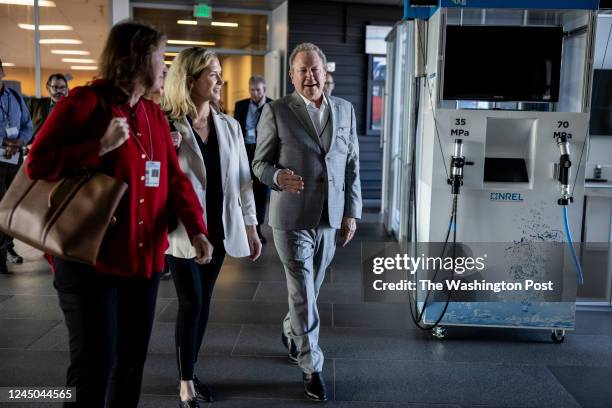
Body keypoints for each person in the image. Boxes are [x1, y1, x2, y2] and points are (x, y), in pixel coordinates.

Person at [25, 21, 214, 408]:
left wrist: (196, 229)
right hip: (86, 260)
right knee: (93, 366)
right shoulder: (82, 103)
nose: (165, 66)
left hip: (141, 260)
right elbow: (36, 165)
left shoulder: (153, 115)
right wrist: (98, 147)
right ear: (136, 59)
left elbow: (175, 180)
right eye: (160, 56)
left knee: (130, 364)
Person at [253, 42, 362, 402]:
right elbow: (259, 164)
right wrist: (276, 176)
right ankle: (311, 365)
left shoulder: (345, 110)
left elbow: (351, 166)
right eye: (303, 70)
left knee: (311, 290)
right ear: (292, 75)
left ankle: (291, 329)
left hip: (330, 218)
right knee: (301, 288)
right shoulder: (277, 111)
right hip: (291, 215)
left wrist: (352, 211)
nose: (310, 76)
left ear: (325, 71)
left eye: (315, 69)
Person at [163, 47, 262, 408]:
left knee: (203, 305)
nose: (219, 80)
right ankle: (185, 383)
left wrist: (251, 226)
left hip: (220, 231)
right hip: (183, 234)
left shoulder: (230, 126)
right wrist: (165, 151)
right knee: (191, 303)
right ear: (191, 80)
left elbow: (242, 181)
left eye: (219, 73)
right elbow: (152, 179)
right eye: (212, 74)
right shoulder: (167, 126)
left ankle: (189, 368)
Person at [0, 58, 33, 273]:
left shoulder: (14, 96)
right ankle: (0, 256)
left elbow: (27, 126)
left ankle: (5, 248)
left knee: (12, 208)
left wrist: (20, 140)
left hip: (13, 161)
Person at [233, 75, 272, 243]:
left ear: (264, 90)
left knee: (261, 191)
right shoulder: (240, 105)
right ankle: (246, 225)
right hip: (245, 151)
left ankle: (258, 227)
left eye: (258, 90)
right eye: (252, 90)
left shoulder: (271, 105)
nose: (255, 93)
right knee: (244, 186)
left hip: (263, 152)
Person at [28, 73, 69, 138]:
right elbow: (25, 126)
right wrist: (29, 143)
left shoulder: (72, 107)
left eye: (62, 88)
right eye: (55, 87)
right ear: (48, 88)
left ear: (67, 90)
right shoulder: (35, 104)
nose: (59, 91)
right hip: (37, 145)